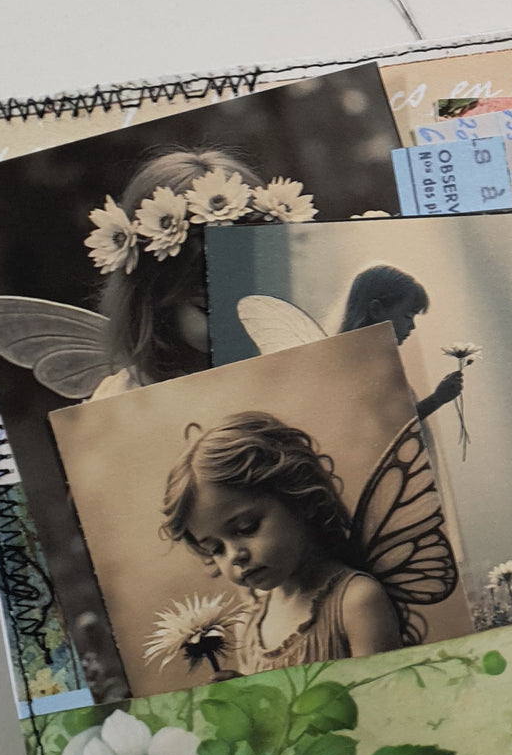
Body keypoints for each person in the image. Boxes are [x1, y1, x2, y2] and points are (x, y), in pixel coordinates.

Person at [160, 412, 403, 670]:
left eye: (247, 528)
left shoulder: (355, 602)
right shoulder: (248, 624)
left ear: (300, 499)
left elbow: (381, 690)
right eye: (215, 549)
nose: (234, 556)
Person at [93, 149, 266, 397]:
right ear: (154, 299)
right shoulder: (124, 396)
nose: (240, 325)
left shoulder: (298, 368)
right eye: (207, 308)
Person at [338, 264, 463, 419]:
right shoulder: (354, 366)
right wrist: (436, 399)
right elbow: (390, 427)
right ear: (376, 310)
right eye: (408, 316)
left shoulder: (373, 362)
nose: (412, 326)